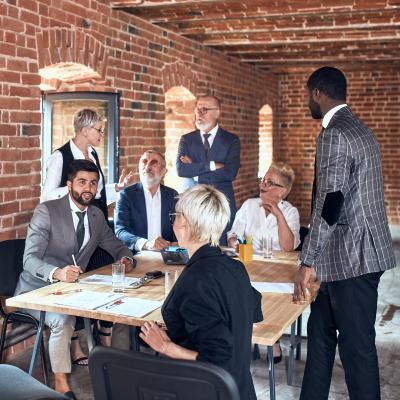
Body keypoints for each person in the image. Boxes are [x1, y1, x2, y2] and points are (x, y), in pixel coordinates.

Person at [293, 66, 396, 400]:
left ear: (318, 93)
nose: (308, 101)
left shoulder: (335, 133)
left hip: (354, 259)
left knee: (356, 348)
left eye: (308, 95)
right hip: (345, 256)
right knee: (319, 334)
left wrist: (306, 260)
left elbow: (331, 201)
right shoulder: (358, 128)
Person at [14, 160, 135, 399]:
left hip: (75, 290)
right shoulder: (46, 211)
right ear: (69, 185)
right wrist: (57, 273)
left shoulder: (97, 216)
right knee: (63, 318)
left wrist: (127, 259)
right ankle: (61, 384)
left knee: (123, 305)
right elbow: (29, 260)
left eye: (93, 183)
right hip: (36, 291)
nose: (88, 188)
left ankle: (118, 369)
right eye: (82, 182)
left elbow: (117, 245)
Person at [139, 184, 263, 400]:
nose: (173, 222)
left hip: (206, 390)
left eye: (174, 216)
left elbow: (219, 358)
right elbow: (254, 308)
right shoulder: (235, 266)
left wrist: (166, 346)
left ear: (184, 222)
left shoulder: (196, 280)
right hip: (242, 389)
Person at [41, 108, 134, 219]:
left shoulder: (93, 154)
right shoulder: (59, 157)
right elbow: (47, 196)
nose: (102, 134)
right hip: (71, 224)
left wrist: (117, 188)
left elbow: (97, 193)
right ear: (85, 131)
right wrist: (75, 188)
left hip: (96, 221)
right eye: (99, 130)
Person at [176, 95, 240, 244]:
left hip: (221, 205)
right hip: (192, 205)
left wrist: (196, 174)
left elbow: (230, 173)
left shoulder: (231, 140)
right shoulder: (187, 139)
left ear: (217, 113)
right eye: (197, 109)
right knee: (192, 247)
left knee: (221, 248)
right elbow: (181, 170)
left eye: (204, 109)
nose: (199, 113)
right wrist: (211, 165)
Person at [227, 162, 300, 252]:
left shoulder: (290, 212)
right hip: (250, 260)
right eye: (263, 180)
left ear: (282, 191)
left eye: (269, 182)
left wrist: (279, 215)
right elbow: (234, 235)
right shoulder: (249, 205)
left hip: (278, 263)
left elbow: (288, 248)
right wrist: (235, 242)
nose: (261, 185)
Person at [115, 150, 178, 252]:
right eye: (144, 162)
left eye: (154, 163)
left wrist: (176, 244)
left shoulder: (172, 195)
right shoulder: (126, 195)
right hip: (136, 256)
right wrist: (146, 244)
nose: (147, 166)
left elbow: (178, 228)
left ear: (163, 171)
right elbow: (120, 232)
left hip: (167, 255)